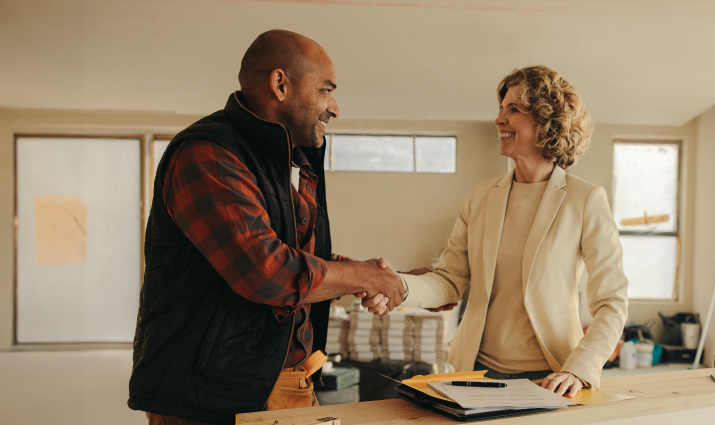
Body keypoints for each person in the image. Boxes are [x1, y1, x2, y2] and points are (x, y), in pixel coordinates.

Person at [129, 30, 403, 425]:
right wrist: (361, 275)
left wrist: (381, 278)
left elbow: (301, 258)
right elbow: (265, 270)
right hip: (208, 396)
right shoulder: (207, 154)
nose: (335, 107)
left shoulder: (285, 161)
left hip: (286, 381)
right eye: (326, 90)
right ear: (280, 84)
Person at [388, 65, 628, 398]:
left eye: (513, 109)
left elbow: (612, 302)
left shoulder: (585, 199)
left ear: (547, 121)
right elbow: (449, 279)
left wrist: (579, 368)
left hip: (551, 377)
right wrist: (397, 286)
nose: (499, 119)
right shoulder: (480, 196)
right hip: (475, 374)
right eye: (501, 109)